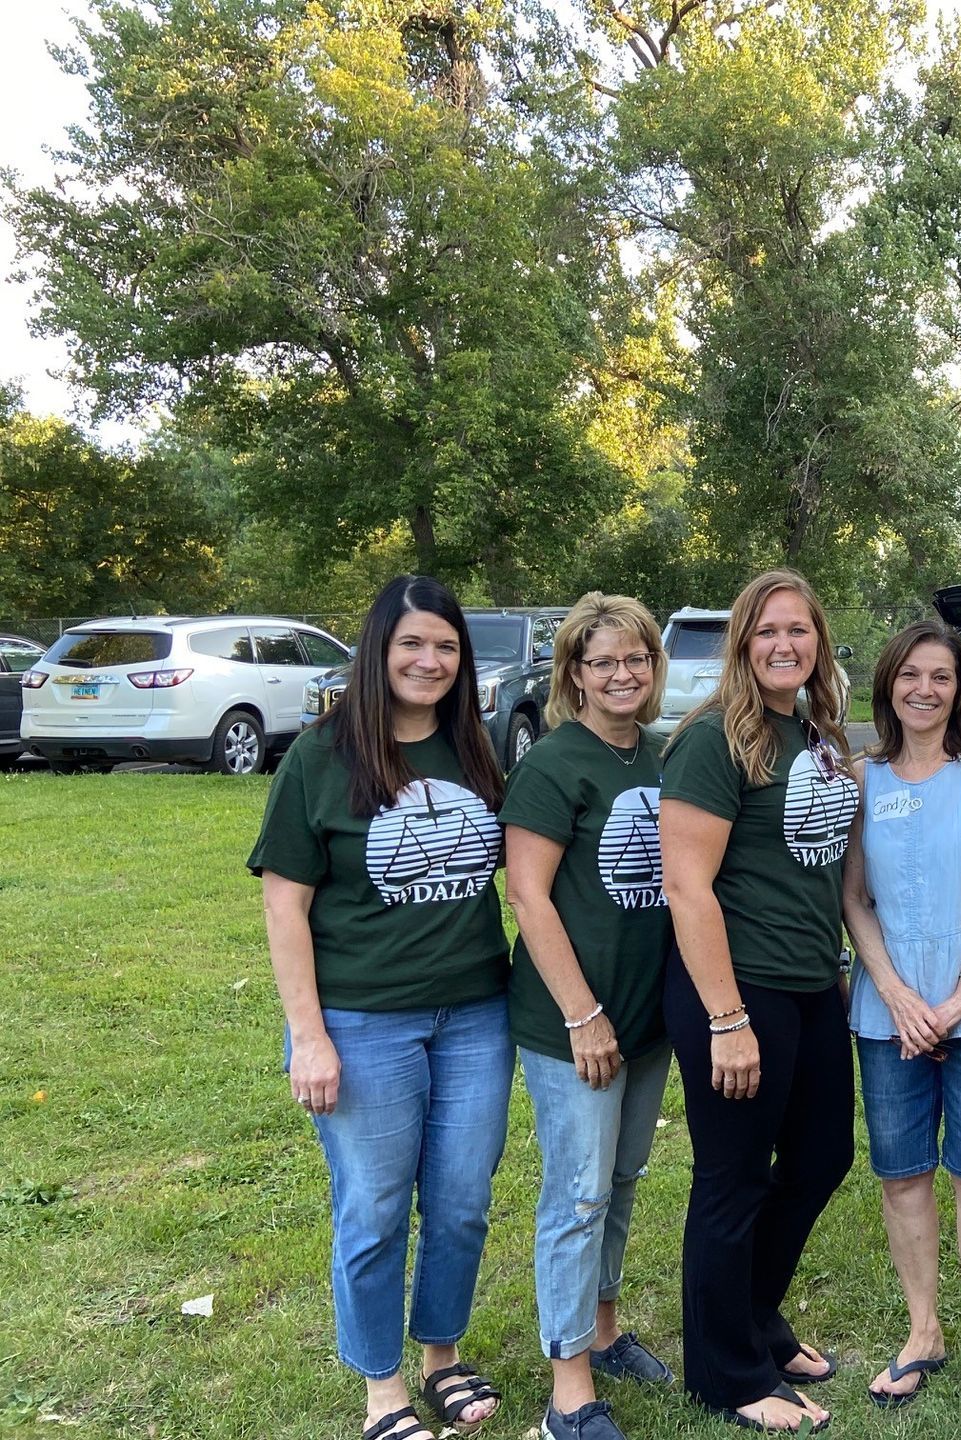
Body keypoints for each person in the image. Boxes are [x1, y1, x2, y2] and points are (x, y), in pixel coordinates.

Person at [250, 575, 513, 1440]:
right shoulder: (320, 758)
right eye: (412, 644)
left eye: (445, 646)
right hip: (365, 1022)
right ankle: (382, 1388)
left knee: (463, 1198)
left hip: (476, 1012)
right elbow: (286, 902)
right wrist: (309, 1037)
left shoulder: (474, 749)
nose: (429, 660)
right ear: (377, 651)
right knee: (372, 1203)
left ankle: (441, 1356)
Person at [658, 570, 860, 1435]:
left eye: (800, 631)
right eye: (767, 631)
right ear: (743, 644)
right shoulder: (713, 742)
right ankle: (726, 1372)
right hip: (738, 992)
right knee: (733, 1181)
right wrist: (726, 1019)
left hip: (815, 984)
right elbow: (686, 886)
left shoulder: (814, 731)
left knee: (821, 1160)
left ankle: (755, 1318)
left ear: (818, 642)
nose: (785, 644)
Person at [842, 621, 961, 1418]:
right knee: (902, 1174)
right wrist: (894, 992)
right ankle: (924, 1330)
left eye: (942, 677)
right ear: (888, 683)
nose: (925, 689)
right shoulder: (862, 777)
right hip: (891, 1010)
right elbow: (854, 897)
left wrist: (959, 996)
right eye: (911, 675)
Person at [501, 593, 676, 1440]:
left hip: (648, 1017)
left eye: (635, 659)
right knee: (576, 1194)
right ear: (573, 673)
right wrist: (582, 1013)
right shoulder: (554, 764)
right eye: (602, 661)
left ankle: (604, 1331)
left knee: (622, 1180)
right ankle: (569, 1387)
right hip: (575, 1021)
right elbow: (527, 894)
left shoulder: (663, 755)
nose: (621, 674)